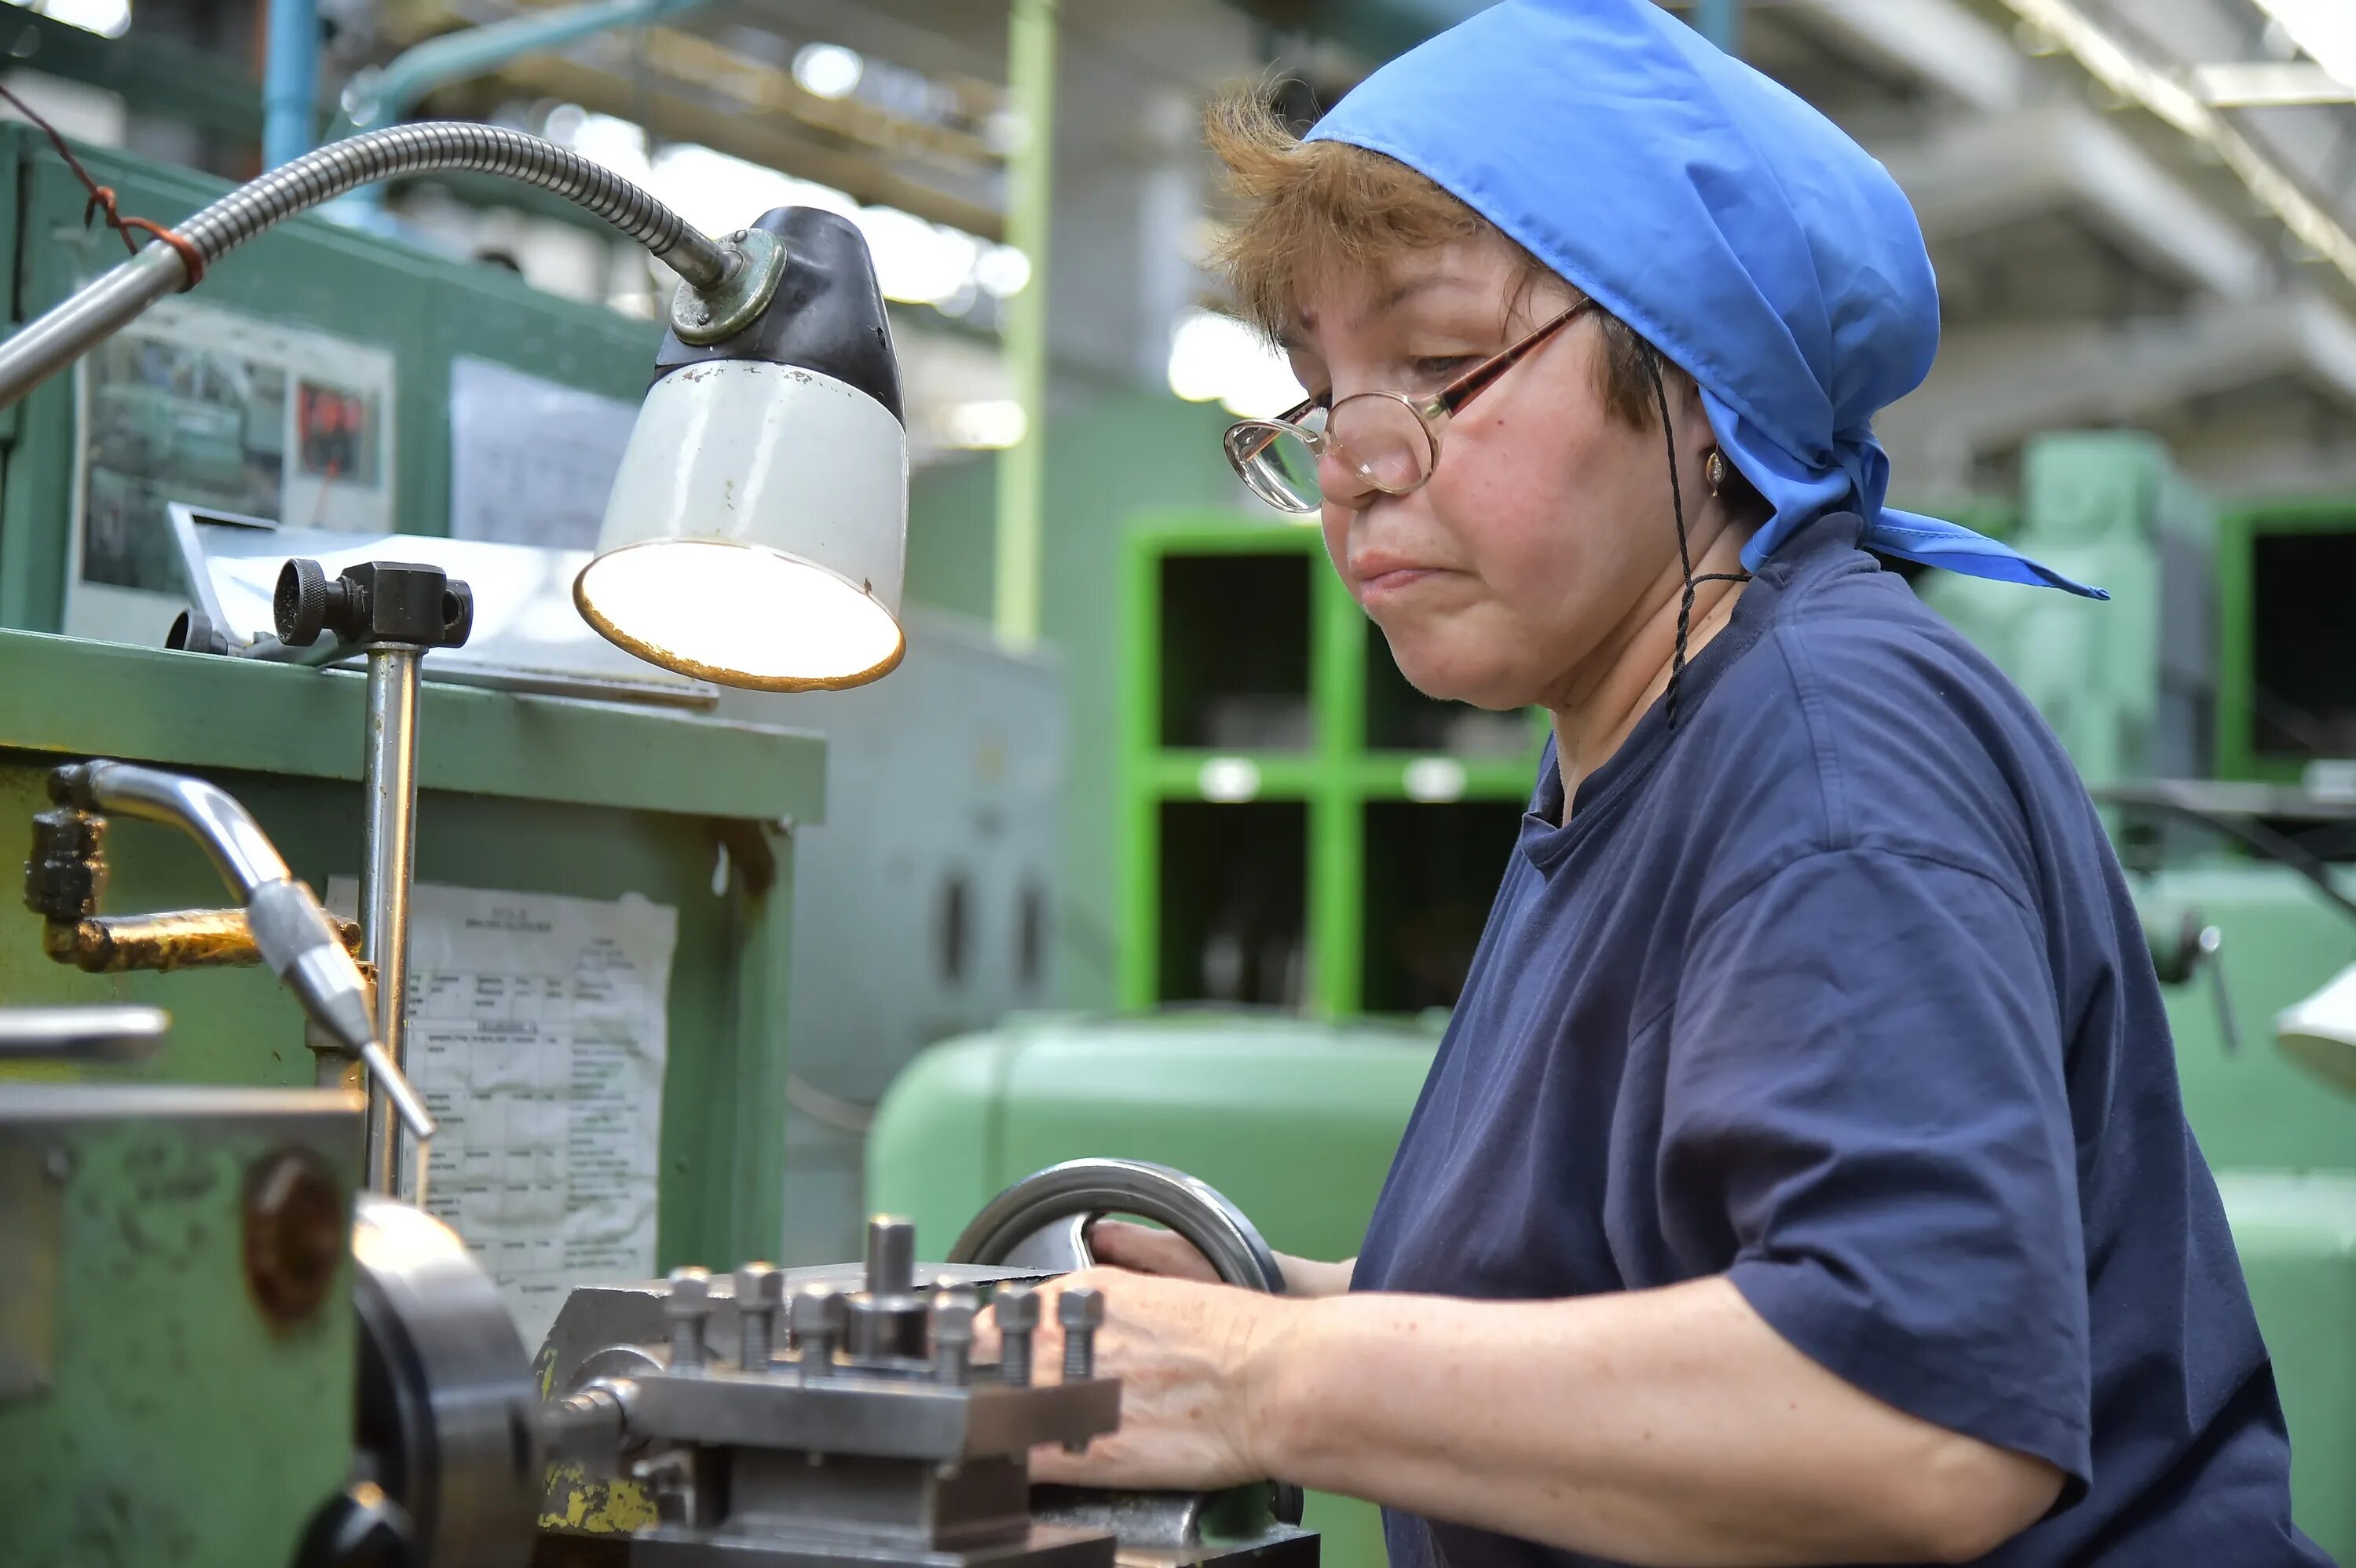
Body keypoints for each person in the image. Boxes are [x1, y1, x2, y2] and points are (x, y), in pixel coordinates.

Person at [985, 4, 2336, 1566]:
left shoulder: (1829, 747)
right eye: (1315, 394)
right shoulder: (1631, 748)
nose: (1354, 463)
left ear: (1696, 380)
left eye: (1434, 368)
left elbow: (1918, 1421)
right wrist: (1263, 1306)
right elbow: (1631, 1303)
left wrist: (1264, 1384)